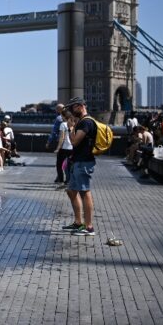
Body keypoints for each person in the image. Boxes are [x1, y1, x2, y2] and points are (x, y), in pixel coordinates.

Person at [62, 97, 97, 237]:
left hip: (84, 162)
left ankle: (89, 227)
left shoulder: (86, 122)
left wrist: (70, 128)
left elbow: (75, 142)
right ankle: (78, 222)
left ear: (80, 106)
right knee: (71, 191)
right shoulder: (82, 122)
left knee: (84, 192)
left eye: (73, 108)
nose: (71, 111)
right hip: (77, 161)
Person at [54, 110, 75, 186]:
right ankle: (68, 181)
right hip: (72, 148)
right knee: (69, 166)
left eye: (61, 116)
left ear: (64, 116)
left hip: (64, 148)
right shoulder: (73, 124)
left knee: (59, 165)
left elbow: (61, 138)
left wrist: (58, 148)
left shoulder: (63, 124)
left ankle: (61, 181)